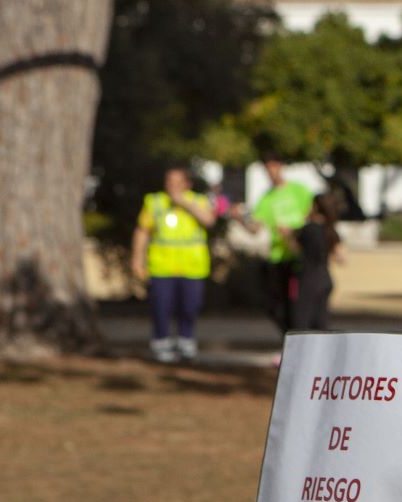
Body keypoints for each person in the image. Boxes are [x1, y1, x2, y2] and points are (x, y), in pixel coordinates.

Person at [131, 163, 217, 363]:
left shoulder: (198, 200)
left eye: (178, 182)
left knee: (190, 306)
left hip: (191, 266)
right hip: (162, 265)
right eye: (169, 182)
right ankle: (161, 343)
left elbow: (209, 220)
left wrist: (185, 204)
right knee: (161, 306)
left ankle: (186, 341)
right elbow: (142, 230)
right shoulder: (155, 202)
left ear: (187, 184)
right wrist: (137, 258)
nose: (173, 186)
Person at [236, 155, 313, 332]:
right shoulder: (266, 198)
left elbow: (312, 216)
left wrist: (294, 233)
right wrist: (239, 218)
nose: (271, 173)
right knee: (276, 306)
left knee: (297, 305)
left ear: (281, 167)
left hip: (299, 257)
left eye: (273, 167)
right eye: (267, 169)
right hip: (279, 256)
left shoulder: (299, 191)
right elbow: (255, 228)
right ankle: (287, 340)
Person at [289, 191, 344, 331]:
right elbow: (341, 257)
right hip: (325, 279)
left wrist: (287, 236)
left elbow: (294, 249)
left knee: (302, 322)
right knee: (320, 324)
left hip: (308, 280)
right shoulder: (331, 230)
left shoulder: (307, 230)